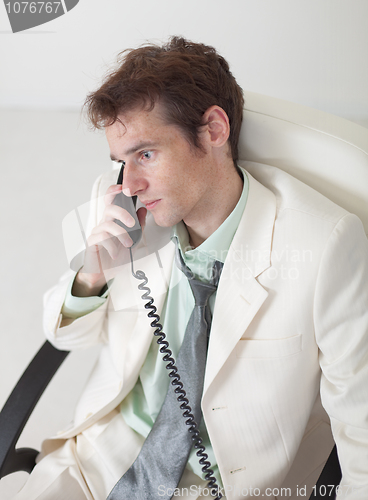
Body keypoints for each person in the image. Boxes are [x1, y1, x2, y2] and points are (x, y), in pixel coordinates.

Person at [14, 37, 368, 500]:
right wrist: (93, 274)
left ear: (214, 130)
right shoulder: (126, 214)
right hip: (97, 466)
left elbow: (360, 422)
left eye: (146, 154)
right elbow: (64, 338)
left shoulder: (324, 245)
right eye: (122, 161)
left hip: (225, 485)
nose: (132, 183)